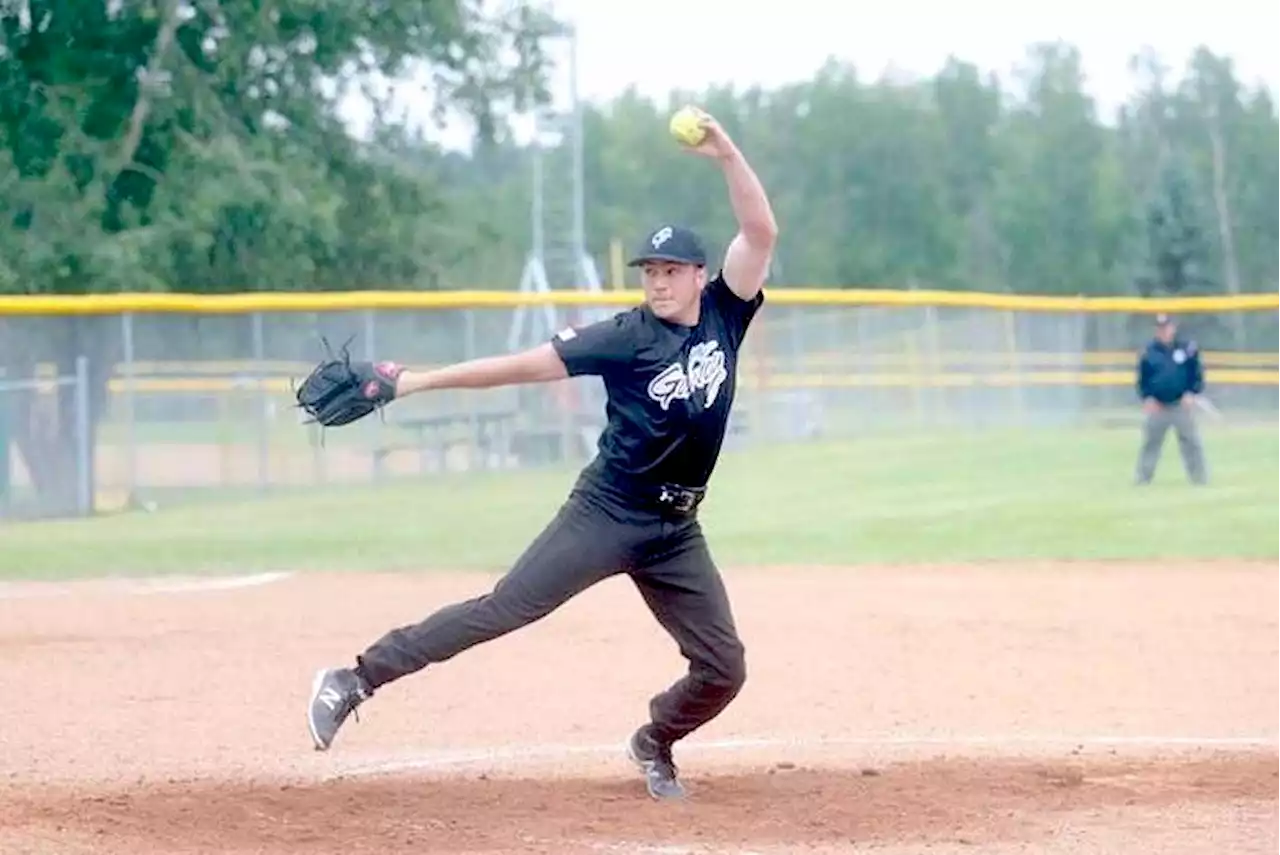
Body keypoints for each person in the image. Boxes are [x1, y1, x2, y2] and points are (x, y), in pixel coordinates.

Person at [305, 108, 778, 801]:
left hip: (677, 529)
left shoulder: (725, 312)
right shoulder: (624, 336)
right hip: (609, 510)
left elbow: (761, 231)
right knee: (505, 607)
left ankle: (655, 739)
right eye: (649, 269)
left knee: (724, 667)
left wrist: (728, 153)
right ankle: (355, 678)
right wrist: (415, 382)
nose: (656, 280)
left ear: (701, 275)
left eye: (670, 269)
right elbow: (522, 365)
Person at [1134, 313, 1208, 485]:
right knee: (1151, 443)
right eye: (1160, 328)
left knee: (1191, 442)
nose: (1163, 331)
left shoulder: (1186, 348)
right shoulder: (1148, 352)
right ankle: (1143, 479)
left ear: (1173, 328)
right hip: (1158, 405)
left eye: (1166, 327)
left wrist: (1192, 392)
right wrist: (1147, 397)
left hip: (1180, 404)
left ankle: (1199, 479)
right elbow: (1142, 378)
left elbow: (1196, 373)